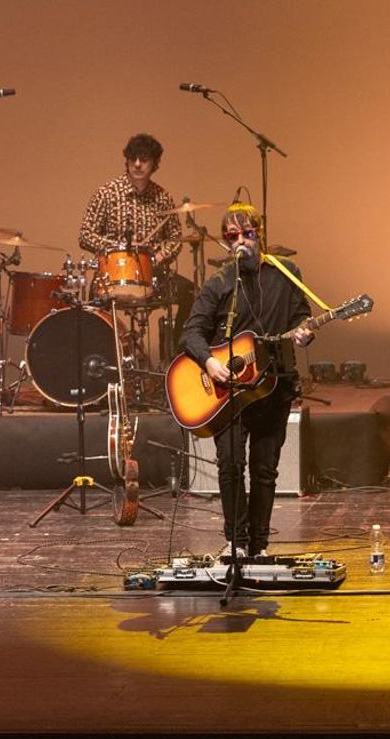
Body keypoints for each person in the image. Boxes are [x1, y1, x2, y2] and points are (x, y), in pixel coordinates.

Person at [180, 205, 314, 559]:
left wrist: (304, 332)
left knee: (265, 469)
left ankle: (259, 546)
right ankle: (236, 543)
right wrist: (210, 362)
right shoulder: (220, 283)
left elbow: (301, 316)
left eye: (247, 234)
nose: (241, 241)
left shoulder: (286, 273)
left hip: (274, 385)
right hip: (230, 394)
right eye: (232, 237)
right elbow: (191, 332)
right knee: (230, 464)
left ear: (260, 234)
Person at [78, 133, 182, 269]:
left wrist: (160, 256)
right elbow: (85, 235)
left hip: (152, 273)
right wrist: (119, 248)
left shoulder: (163, 198)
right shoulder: (107, 194)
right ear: (127, 161)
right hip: (114, 271)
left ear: (154, 163)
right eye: (133, 158)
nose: (137, 164)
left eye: (144, 159)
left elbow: (175, 237)